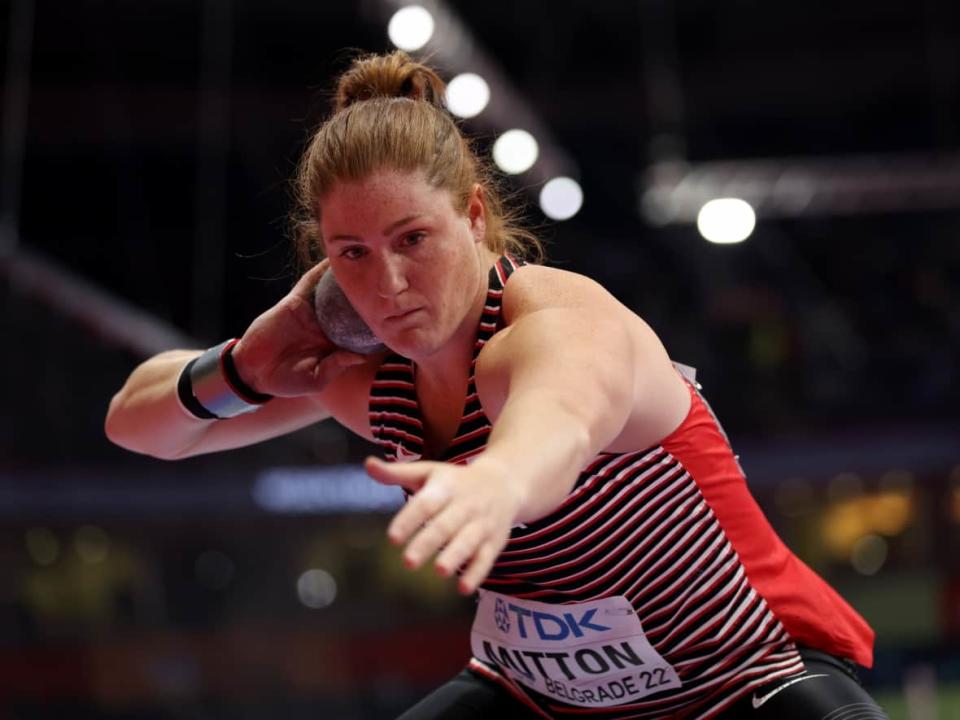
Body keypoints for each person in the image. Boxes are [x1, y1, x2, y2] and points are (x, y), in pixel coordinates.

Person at [105, 51, 888, 719]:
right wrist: (241, 366)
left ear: (474, 217)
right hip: (538, 700)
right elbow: (139, 427)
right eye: (353, 253)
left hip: (746, 679)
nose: (390, 282)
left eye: (413, 238)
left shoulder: (553, 318)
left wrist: (500, 484)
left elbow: (563, 414)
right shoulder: (368, 381)